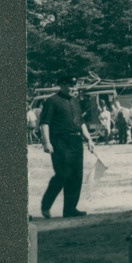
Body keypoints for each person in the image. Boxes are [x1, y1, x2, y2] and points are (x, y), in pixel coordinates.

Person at [38, 75, 95, 218]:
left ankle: (70, 209)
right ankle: (46, 205)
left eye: (74, 86)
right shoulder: (52, 102)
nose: (73, 89)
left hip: (76, 142)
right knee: (63, 174)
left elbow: (80, 122)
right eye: (70, 86)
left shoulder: (75, 101)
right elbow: (45, 123)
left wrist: (89, 139)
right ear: (61, 85)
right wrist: (47, 142)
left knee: (76, 176)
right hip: (60, 142)